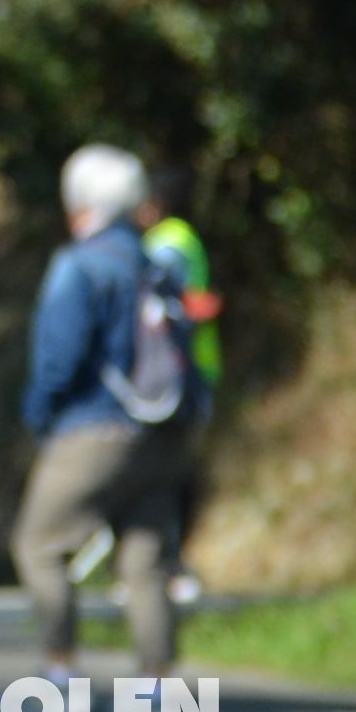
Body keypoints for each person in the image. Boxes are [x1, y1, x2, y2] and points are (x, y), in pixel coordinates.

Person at [12, 143, 205, 679]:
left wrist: (39, 417)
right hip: (164, 432)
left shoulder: (81, 265)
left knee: (39, 545)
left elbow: (58, 358)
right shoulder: (158, 265)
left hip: (94, 429)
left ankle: (61, 667)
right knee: (146, 559)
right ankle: (157, 683)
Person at [136, 165, 221, 601]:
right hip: (195, 368)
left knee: (167, 472)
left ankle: (168, 563)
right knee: (177, 470)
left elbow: (170, 306)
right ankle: (167, 562)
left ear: (153, 204)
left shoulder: (164, 244)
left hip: (177, 375)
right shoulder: (182, 237)